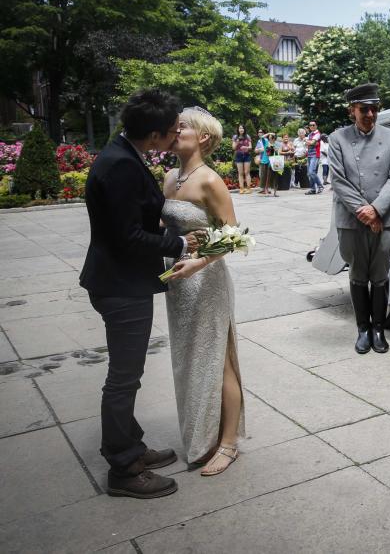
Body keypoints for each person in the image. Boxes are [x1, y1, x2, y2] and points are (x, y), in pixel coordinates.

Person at [79, 88, 201, 499]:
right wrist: (181, 245)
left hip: (120, 281)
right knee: (124, 378)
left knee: (127, 375)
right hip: (120, 285)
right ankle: (124, 466)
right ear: (155, 135)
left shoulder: (122, 154)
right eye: (170, 133)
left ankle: (131, 444)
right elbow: (128, 237)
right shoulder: (120, 166)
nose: (172, 140)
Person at [161, 107, 245, 476]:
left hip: (206, 280)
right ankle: (202, 435)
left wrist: (198, 261)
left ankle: (227, 444)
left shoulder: (210, 180)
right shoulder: (168, 178)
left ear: (205, 138)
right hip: (178, 282)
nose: (174, 131)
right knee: (188, 359)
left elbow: (235, 236)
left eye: (183, 127)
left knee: (218, 360)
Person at [328, 83, 390, 354]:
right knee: (358, 272)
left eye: (374, 109)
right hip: (351, 219)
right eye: (364, 109)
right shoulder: (337, 139)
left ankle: (379, 329)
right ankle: (362, 329)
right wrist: (364, 211)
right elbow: (338, 179)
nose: (370, 114)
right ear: (352, 111)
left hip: (385, 218)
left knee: (380, 273)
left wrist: (377, 210)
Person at [232, 124, 252, 193]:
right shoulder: (235, 137)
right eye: (240, 128)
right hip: (238, 155)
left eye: (242, 128)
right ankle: (241, 188)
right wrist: (237, 142)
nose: (241, 129)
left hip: (247, 155)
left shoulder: (247, 136)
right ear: (238, 129)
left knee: (247, 172)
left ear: (244, 129)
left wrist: (246, 148)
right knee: (240, 173)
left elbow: (250, 147)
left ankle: (249, 188)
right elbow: (233, 148)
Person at [305, 121, 322, 195]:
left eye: (313, 125)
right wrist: (311, 142)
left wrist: (309, 142)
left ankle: (320, 186)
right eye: (310, 125)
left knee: (311, 172)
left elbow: (311, 143)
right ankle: (312, 189)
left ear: (316, 126)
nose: (312, 126)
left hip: (315, 155)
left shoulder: (317, 134)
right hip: (309, 155)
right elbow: (310, 143)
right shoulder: (310, 135)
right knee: (310, 173)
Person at [254, 128, 268, 194]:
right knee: (261, 174)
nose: (260, 133)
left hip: (266, 159)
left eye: (261, 132)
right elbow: (255, 150)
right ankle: (263, 188)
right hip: (261, 159)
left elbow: (268, 149)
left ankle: (266, 189)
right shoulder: (258, 141)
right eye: (259, 132)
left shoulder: (266, 140)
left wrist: (262, 149)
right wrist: (259, 150)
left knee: (266, 174)